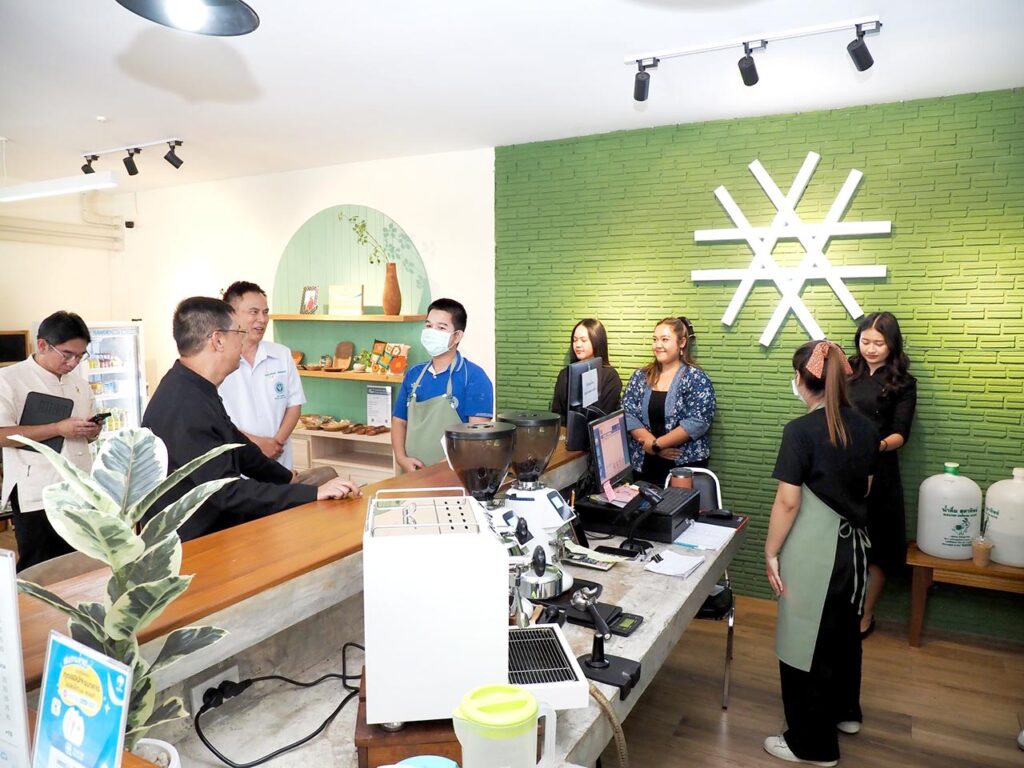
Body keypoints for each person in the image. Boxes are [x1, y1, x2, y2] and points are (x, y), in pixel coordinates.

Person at [142, 297, 359, 541]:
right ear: (218, 340)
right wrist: (310, 494)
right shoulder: (184, 403)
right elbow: (226, 492)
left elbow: (237, 445)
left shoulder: (195, 387)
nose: (243, 340)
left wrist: (286, 478)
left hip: (218, 523)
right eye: (239, 332)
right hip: (195, 541)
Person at [763, 340, 879, 767]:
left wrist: (771, 551)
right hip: (854, 550)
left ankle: (812, 745)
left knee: (804, 640)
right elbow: (865, 487)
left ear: (802, 379)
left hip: (815, 552)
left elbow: (788, 502)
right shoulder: (866, 428)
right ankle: (846, 713)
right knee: (844, 634)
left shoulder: (800, 431)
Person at [0, 312, 101, 571]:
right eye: (67, 355)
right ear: (42, 345)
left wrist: (91, 431)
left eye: (80, 356)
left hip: (79, 487)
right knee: (41, 567)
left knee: (79, 563)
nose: (73, 363)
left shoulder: (79, 384)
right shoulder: (8, 380)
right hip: (37, 490)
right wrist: (57, 428)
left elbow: (85, 436)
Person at [847, 311, 917, 638]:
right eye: (865, 341)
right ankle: (838, 609)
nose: (871, 349)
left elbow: (901, 433)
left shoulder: (903, 382)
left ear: (892, 345)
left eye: (879, 343)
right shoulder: (846, 369)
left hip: (880, 472)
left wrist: (876, 446)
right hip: (841, 466)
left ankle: (866, 614)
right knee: (841, 545)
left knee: (878, 549)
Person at [391, 298, 493, 473]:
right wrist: (401, 458)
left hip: (455, 474)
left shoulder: (474, 377)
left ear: (457, 336)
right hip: (410, 474)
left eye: (441, 327)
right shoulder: (414, 374)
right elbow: (399, 422)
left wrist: (445, 466)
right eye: (428, 326)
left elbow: (477, 435)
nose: (432, 332)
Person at [218, 281, 305, 470]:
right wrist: (257, 446)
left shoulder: (282, 354)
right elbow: (217, 420)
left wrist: (276, 443)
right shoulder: (218, 360)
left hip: (279, 465)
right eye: (254, 312)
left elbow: (294, 405)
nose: (262, 319)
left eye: (265, 312)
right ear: (232, 314)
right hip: (238, 467)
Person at [621, 317, 715, 485]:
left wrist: (658, 445)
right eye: (655, 339)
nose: (658, 345)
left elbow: (698, 421)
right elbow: (628, 414)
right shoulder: (640, 376)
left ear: (682, 342)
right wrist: (651, 446)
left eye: (665, 339)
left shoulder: (695, 378)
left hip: (684, 464)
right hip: (645, 462)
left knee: (678, 502)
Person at [550, 318, 622, 425]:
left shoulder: (610, 376)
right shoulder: (565, 374)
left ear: (597, 341)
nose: (578, 345)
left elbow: (606, 416)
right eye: (575, 340)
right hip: (567, 432)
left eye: (583, 340)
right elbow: (557, 413)